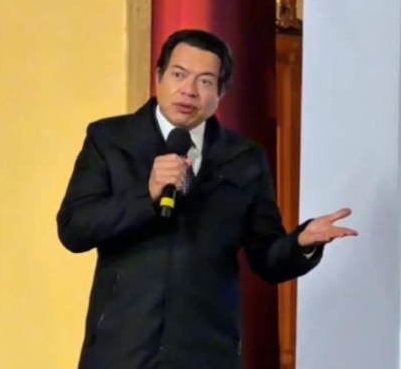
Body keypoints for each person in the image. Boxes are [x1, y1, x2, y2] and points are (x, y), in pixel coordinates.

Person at [56, 29, 358, 369]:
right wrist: (147, 195)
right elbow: (74, 229)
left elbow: (267, 258)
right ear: (159, 76)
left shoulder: (244, 158)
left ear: (221, 92)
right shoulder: (110, 139)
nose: (189, 90)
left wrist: (301, 243)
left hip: (207, 351)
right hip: (121, 348)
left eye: (204, 81)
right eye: (179, 75)